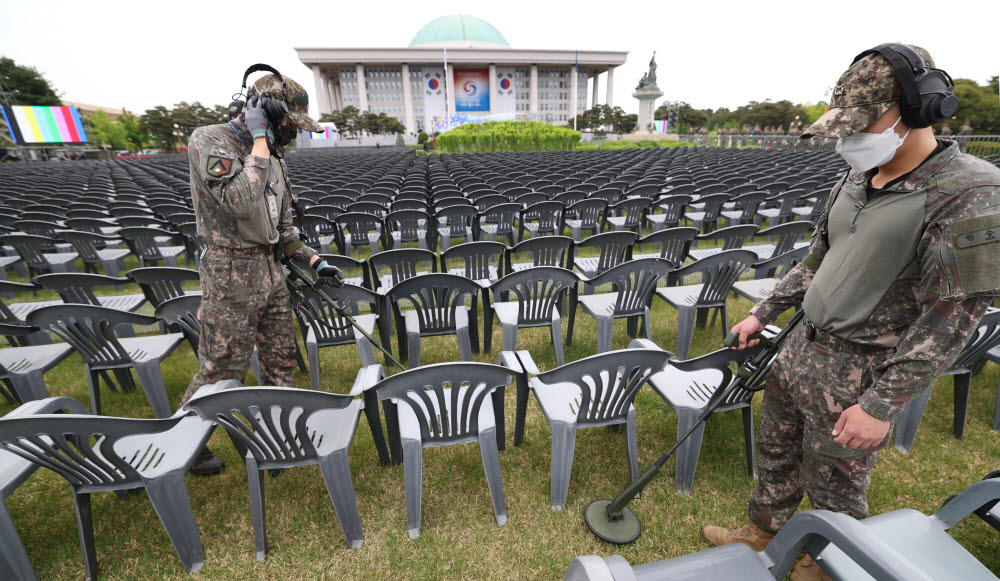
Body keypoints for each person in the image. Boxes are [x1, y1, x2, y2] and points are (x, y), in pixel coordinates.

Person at [701, 45, 1000, 581]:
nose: (849, 140)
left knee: (836, 478)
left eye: (863, 124)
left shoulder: (968, 191)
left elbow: (952, 317)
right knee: (776, 451)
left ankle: (827, 558)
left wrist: (881, 404)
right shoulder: (858, 177)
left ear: (918, 109)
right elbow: (819, 259)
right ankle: (763, 531)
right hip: (799, 346)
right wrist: (765, 311)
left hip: (859, 368)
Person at [183, 70, 344, 475]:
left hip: (270, 272)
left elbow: (283, 226)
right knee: (222, 368)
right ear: (266, 113)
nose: (294, 134)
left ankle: (276, 436)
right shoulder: (210, 140)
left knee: (280, 359)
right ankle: (184, 442)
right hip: (230, 274)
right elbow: (238, 200)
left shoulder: (272, 155)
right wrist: (258, 142)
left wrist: (312, 259)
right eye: (289, 124)